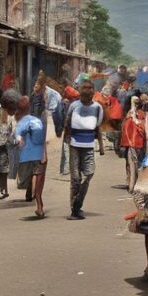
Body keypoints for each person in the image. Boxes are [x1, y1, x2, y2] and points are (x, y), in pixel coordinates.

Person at [65, 81, 104, 220]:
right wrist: (66, 141)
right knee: (75, 178)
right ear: (80, 90)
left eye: (90, 88)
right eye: (85, 88)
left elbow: (98, 127)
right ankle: (74, 209)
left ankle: (77, 204)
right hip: (74, 145)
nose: (87, 91)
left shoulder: (98, 108)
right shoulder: (73, 106)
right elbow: (67, 123)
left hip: (89, 146)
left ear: (94, 91)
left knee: (88, 174)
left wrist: (101, 145)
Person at [13, 90, 48, 218]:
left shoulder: (20, 117)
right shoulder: (40, 118)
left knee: (30, 174)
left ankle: (31, 195)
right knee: (38, 177)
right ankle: (38, 204)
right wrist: (44, 153)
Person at [120, 91, 148, 190]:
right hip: (135, 143)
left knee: (136, 163)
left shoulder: (141, 114)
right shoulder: (133, 115)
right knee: (135, 164)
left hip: (136, 143)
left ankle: (134, 183)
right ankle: (133, 184)